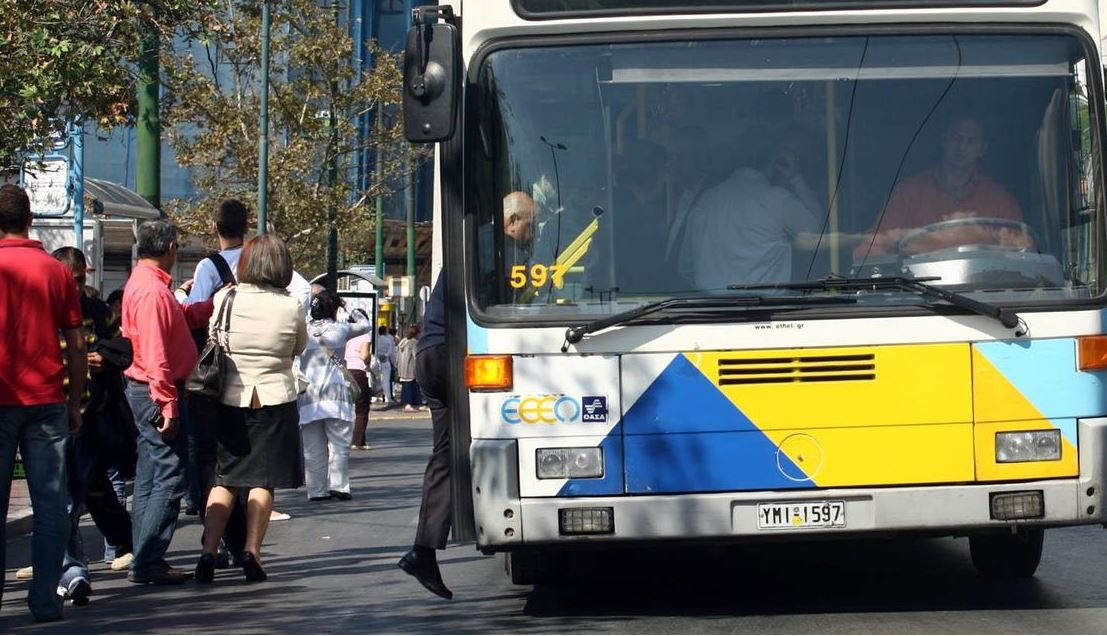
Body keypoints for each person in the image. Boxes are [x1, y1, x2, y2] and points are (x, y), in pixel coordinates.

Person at [195, 235, 307, 584]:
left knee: (224, 478)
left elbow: (214, 337)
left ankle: (208, 553)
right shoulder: (290, 306)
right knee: (263, 479)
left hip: (230, 398)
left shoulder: (225, 297)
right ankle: (252, 551)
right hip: (275, 398)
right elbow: (297, 346)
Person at [0, 184, 86, 621]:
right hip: (47, 398)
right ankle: (45, 600)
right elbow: (75, 342)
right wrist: (75, 400)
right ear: (30, 219)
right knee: (50, 504)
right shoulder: (55, 271)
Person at [121, 220, 214, 585]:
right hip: (157, 389)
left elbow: (175, 325)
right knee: (170, 476)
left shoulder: (147, 285)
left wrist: (208, 306)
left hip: (150, 388)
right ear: (171, 248)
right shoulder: (153, 293)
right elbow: (157, 355)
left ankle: (143, 554)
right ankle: (148, 558)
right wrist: (168, 404)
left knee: (150, 475)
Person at [51, 248, 136, 606]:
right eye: (70, 282)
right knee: (72, 493)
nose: (75, 288)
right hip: (52, 413)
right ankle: (70, 564)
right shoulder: (45, 311)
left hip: (92, 413)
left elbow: (124, 349)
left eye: (80, 281)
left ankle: (74, 565)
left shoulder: (97, 311)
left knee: (84, 490)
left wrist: (103, 356)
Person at [854, 115, 1026, 260]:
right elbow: (868, 250)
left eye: (971, 141)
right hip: (920, 294)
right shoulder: (908, 194)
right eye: (956, 138)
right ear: (943, 141)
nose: (962, 147)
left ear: (982, 149)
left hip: (984, 295)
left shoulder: (999, 200)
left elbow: (1023, 253)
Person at [182, 199, 250, 565]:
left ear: (214, 227)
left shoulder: (210, 267)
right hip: (254, 373)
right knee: (245, 457)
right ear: (248, 225)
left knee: (213, 457)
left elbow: (194, 317)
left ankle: (216, 535)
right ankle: (245, 540)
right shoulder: (260, 261)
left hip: (215, 375)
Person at [678, 127, 821, 290]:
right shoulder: (777, 200)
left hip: (711, 310)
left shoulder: (704, 201)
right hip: (767, 311)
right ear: (775, 162)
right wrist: (796, 178)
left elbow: (686, 268)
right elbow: (817, 234)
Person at [398, 270, 453, 599]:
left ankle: (424, 550)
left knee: (446, 454)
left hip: (429, 354)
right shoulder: (494, 247)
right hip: (449, 353)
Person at [298, 289, 371, 501]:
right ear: (334, 308)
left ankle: (316, 491)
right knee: (339, 445)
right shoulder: (340, 328)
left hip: (309, 397)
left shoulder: (303, 330)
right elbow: (365, 324)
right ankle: (339, 486)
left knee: (313, 449)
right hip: (336, 396)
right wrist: (347, 305)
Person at [345, 332, 373, 450]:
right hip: (359, 371)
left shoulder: (348, 336)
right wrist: (370, 360)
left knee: (346, 406)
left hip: (346, 370)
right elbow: (365, 356)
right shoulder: (365, 336)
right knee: (362, 408)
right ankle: (358, 441)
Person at [397, 325, 423, 412]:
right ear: (416, 334)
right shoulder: (413, 343)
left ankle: (414, 403)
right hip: (410, 368)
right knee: (410, 386)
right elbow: (416, 356)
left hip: (402, 367)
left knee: (407, 386)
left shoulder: (403, 342)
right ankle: (409, 404)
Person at [374, 325, 397, 405]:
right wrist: (394, 363)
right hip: (385, 361)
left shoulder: (376, 340)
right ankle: (387, 397)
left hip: (377, 361)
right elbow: (391, 353)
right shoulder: (388, 340)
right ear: (385, 332)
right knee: (386, 381)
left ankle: (378, 397)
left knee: (377, 380)